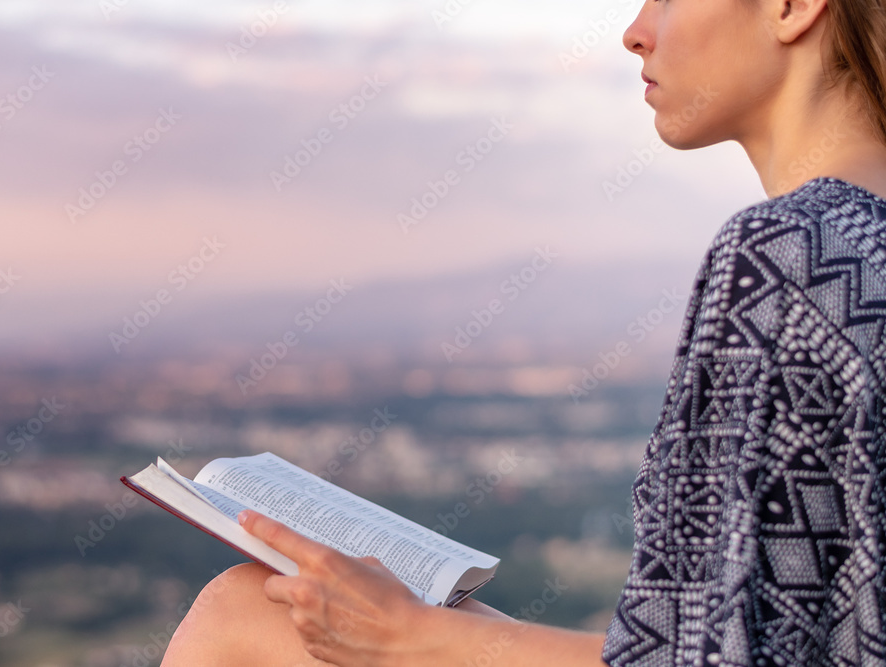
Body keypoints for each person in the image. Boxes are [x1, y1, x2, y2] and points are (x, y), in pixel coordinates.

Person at [162, 0, 886, 663]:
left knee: (243, 616)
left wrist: (411, 633)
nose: (637, 30)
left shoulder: (793, 253)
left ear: (792, 7)